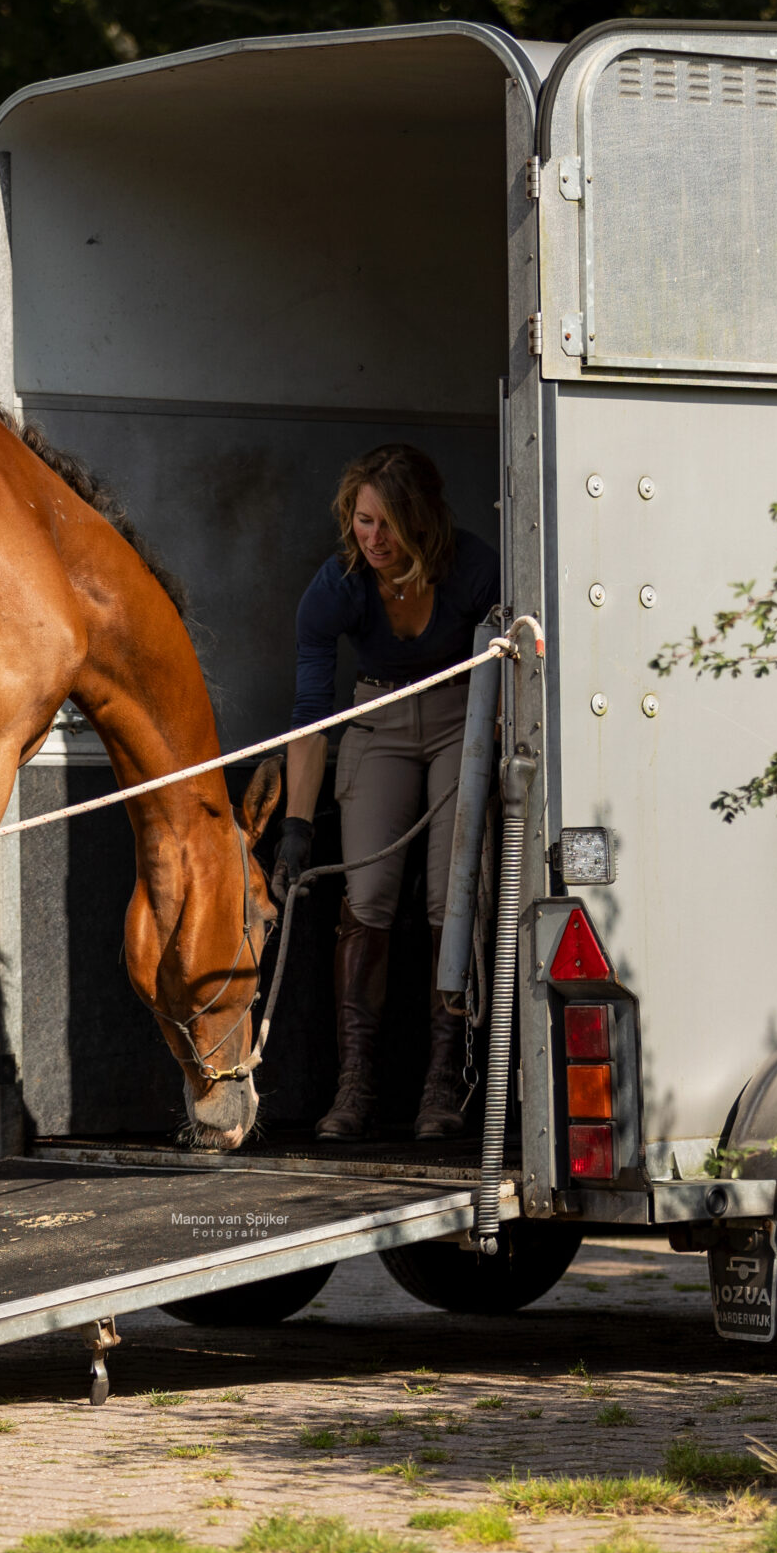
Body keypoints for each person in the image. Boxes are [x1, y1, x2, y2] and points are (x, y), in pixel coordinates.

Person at [273, 443, 498, 1141]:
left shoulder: (474, 568)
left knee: (451, 896)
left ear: (421, 519)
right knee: (366, 896)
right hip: (378, 719)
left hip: (461, 716)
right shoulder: (337, 586)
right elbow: (312, 717)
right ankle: (355, 1084)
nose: (373, 538)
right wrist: (297, 827)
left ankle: (444, 1081)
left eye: (389, 523)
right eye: (363, 520)